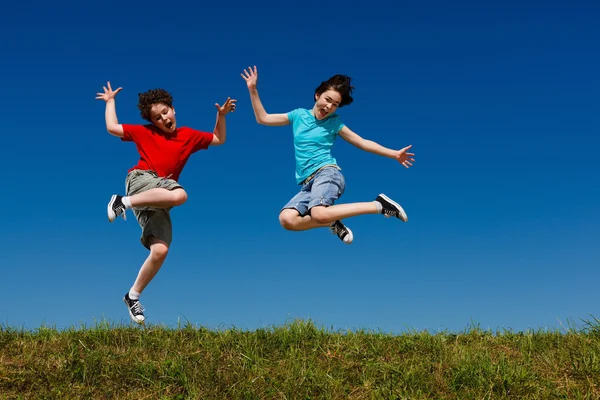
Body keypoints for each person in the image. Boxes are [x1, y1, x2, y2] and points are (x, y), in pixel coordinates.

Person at [96, 82, 236, 324]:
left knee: (160, 250)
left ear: (173, 110)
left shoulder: (188, 136)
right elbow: (111, 127)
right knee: (180, 195)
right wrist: (110, 102)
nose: (163, 119)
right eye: (157, 118)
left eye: (165, 112)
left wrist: (220, 115)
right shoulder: (145, 132)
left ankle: (132, 295)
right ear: (153, 122)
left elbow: (218, 138)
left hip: (157, 196)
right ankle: (122, 201)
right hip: (141, 180)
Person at [241, 66, 414, 244]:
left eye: (335, 104)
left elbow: (362, 142)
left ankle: (379, 205)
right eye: (328, 99)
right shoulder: (298, 115)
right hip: (308, 183)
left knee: (318, 212)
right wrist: (252, 89)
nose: (329, 106)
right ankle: (331, 221)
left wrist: (394, 154)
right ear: (317, 95)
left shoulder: (334, 123)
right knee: (287, 219)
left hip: (327, 173)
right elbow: (263, 118)